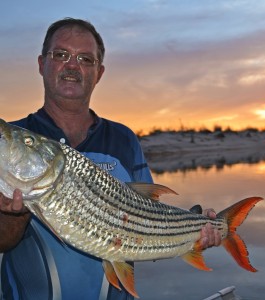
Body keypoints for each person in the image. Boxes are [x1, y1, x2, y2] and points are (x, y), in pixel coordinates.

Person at [0, 18, 221, 300]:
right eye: (60, 54)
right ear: (42, 63)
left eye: (85, 58)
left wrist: (194, 234)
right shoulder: (9, 149)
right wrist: (12, 215)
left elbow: (148, 225)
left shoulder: (124, 139)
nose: (71, 65)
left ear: (99, 72)